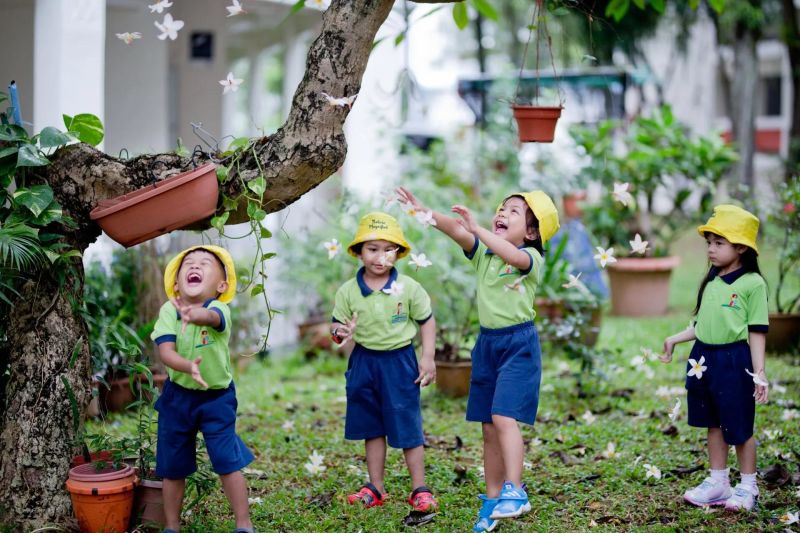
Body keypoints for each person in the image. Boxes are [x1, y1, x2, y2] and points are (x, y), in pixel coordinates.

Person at [396, 187, 559, 532]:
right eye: (502, 208)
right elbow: (456, 230)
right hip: (487, 345)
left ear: (531, 232)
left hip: (518, 345)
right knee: (488, 427)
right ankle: (493, 499)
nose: (502, 213)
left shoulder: (531, 259)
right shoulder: (484, 254)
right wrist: (423, 212)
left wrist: (479, 230)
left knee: (503, 417)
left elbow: (512, 258)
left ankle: (516, 490)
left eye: (514, 211)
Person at [660, 205, 769, 512]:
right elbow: (703, 326)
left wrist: (759, 372)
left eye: (719, 243)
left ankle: (748, 487)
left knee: (740, 424)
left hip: (734, 361)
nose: (711, 248)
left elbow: (757, 330)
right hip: (703, 359)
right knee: (713, 421)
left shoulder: (752, 284)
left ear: (741, 247)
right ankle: (718, 482)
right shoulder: (713, 281)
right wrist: (675, 339)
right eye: (709, 242)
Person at [331, 212, 439, 517]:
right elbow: (336, 327)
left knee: (406, 422)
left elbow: (426, 321)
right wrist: (341, 332)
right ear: (359, 251)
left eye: (388, 249)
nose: (380, 257)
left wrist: (427, 357)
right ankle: (375, 488)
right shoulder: (348, 291)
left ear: (399, 252)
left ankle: (420, 489)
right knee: (371, 424)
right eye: (373, 248)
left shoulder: (408, 288)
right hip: (364, 361)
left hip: (400, 361)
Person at [151, 245, 256, 533]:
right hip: (177, 397)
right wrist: (188, 366)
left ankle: (244, 525)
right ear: (175, 283)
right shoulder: (167, 311)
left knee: (226, 459)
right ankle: (171, 526)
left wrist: (194, 315)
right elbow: (166, 352)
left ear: (221, 286)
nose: (194, 266)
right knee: (172, 466)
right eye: (189, 264)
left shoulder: (218, 308)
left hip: (216, 399)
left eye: (204, 263)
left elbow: (211, 320)